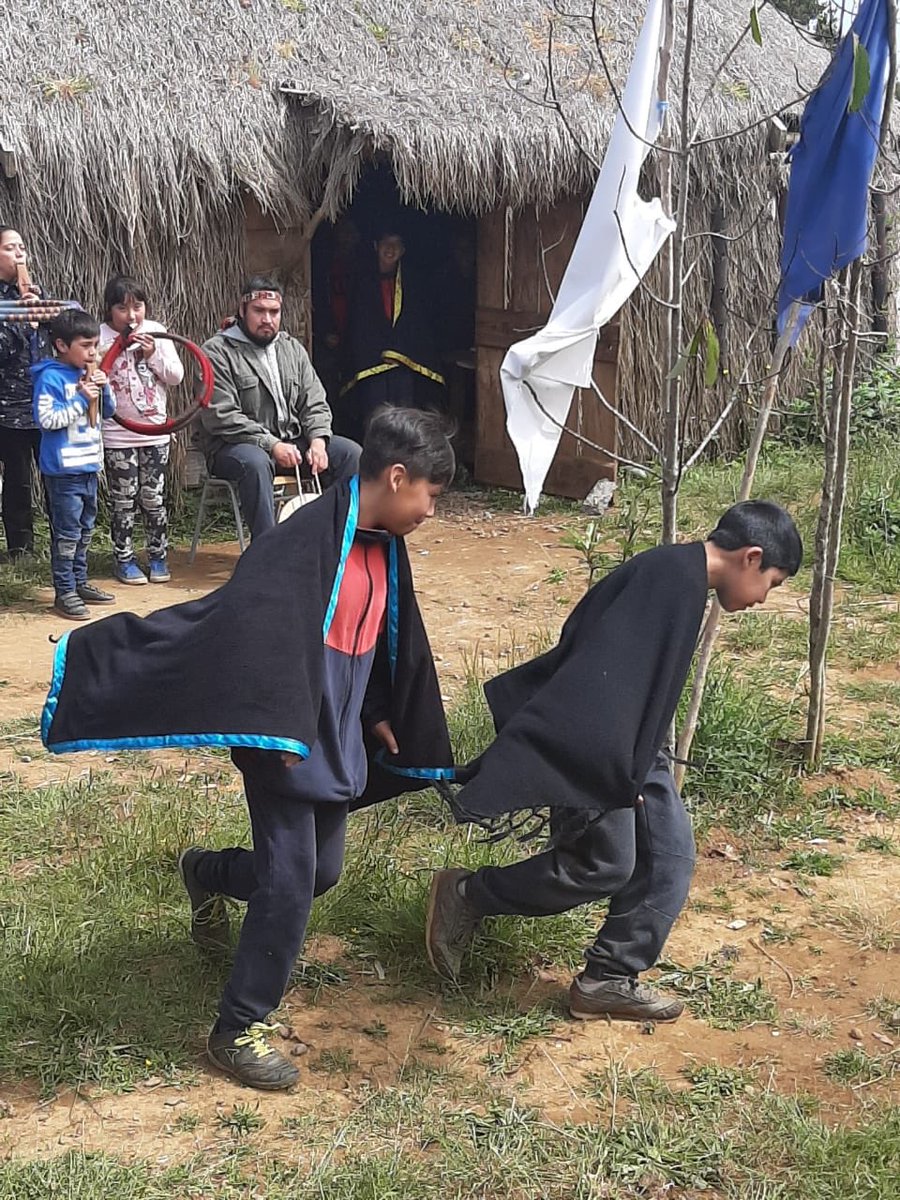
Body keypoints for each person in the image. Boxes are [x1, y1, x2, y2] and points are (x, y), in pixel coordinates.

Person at [40, 407, 456, 1090]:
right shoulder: (305, 541)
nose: (431, 512)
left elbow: (374, 636)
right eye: (430, 496)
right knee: (291, 881)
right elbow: (251, 628)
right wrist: (280, 725)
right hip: (284, 738)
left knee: (321, 874)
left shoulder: (382, 543)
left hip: (336, 732)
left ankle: (205, 872)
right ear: (398, 475)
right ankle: (237, 1026)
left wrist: (379, 712)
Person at [425, 501, 804, 1023]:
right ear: (751, 557)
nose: (764, 598)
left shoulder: (681, 579)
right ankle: (467, 893)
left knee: (670, 855)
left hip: (633, 748)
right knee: (604, 865)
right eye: (773, 583)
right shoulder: (672, 580)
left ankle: (608, 978)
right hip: (602, 750)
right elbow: (599, 679)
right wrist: (614, 777)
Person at [199, 277, 361, 540]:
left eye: (273, 312)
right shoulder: (217, 351)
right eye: (259, 311)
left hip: (292, 443)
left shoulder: (291, 349)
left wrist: (318, 441)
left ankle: (338, 539)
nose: (267, 319)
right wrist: (271, 443)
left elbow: (315, 401)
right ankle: (267, 549)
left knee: (350, 454)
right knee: (256, 462)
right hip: (234, 448)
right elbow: (221, 415)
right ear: (242, 310)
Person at [100, 275, 184, 585]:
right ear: (110, 310)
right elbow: (92, 378)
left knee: (153, 497)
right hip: (117, 434)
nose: (132, 315)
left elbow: (176, 376)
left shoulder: (157, 333)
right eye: (122, 308)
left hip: (155, 433)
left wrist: (153, 355)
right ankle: (123, 558)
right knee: (123, 500)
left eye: (137, 306)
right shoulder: (99, 336)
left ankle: (158, 556)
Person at [32, 309, 116, 620]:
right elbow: (47, 421)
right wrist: (81, 398)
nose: (93, 352)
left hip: (89, 469)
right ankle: (64, 590)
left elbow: (107, 412)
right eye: (86, 345)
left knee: (84, 531)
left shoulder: (89, 374)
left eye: (96, 345)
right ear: (62, 345)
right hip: (64, 472)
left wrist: (104, 390)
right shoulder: (49, 378)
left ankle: (80, 582)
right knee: (66, 535)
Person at [341, 230, 446, 443]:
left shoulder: (413, 283)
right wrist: (379, 351)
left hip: (404, 362)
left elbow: (416, 323)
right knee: (375, 415)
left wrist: (398, 351)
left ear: (404, 250)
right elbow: (359, 323)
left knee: (403, 415)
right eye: (385, 244)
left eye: (396, 244)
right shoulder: (362, 280)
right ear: (375, 246)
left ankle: (403, 459)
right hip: (371, 363)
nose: (390, 249)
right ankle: (374, 461)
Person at [0, 226, 49, 560]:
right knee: (17, 481)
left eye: (22, 246)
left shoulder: (34, 292)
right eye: (9, 248)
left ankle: (65, 542)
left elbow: (56, 341)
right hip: (8, 406)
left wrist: (39, 316)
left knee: (53, 476)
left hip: (43, 403)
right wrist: (20, 318)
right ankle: (20, 547)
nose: (19, 253)